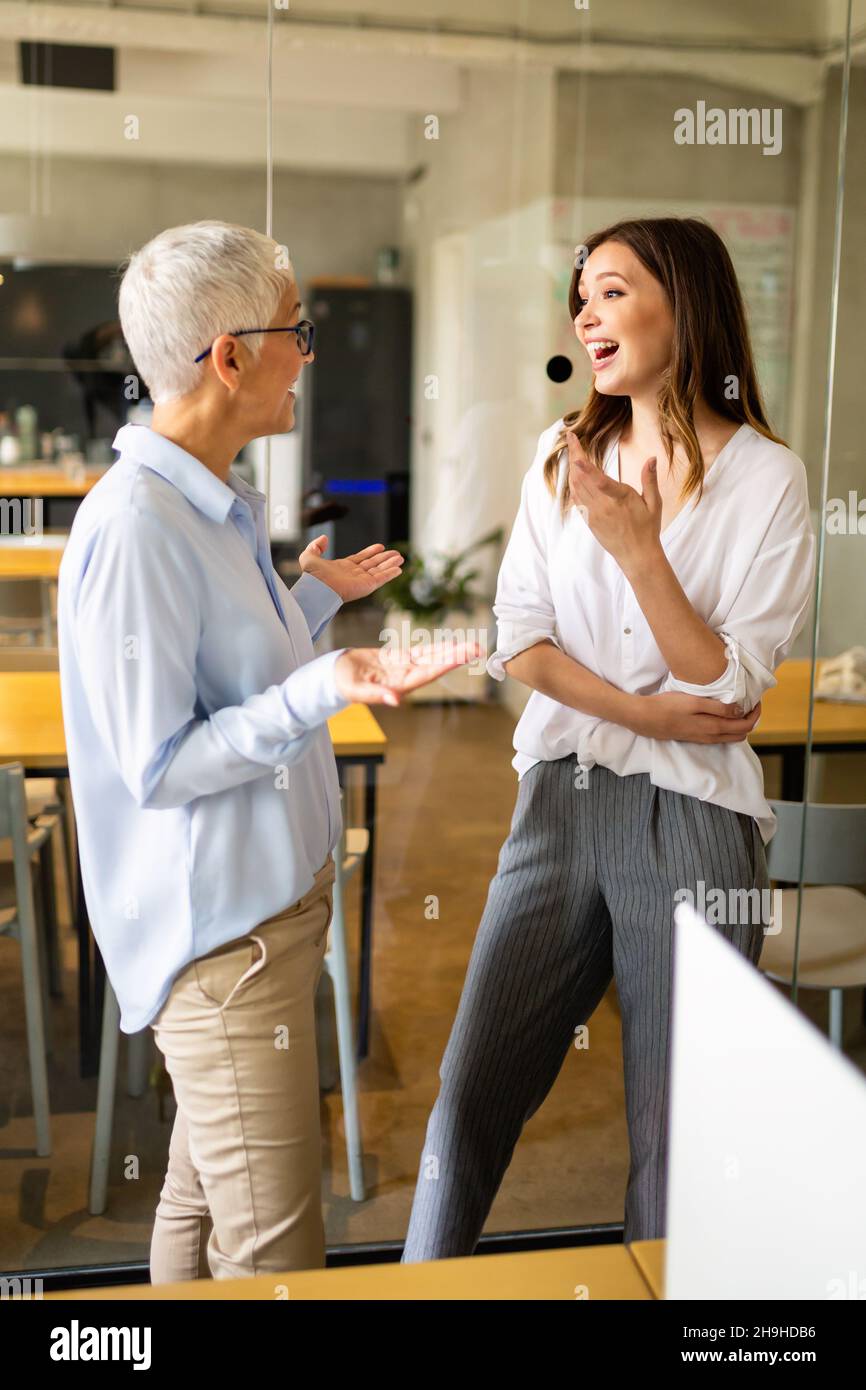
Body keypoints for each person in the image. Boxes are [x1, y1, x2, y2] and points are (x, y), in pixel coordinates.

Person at [57, 219, 474, 1282]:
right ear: (229, 356)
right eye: (297, 329)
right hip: (224, 950)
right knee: (276, 1256)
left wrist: (304, 601)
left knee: (201, 1214)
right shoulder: (137, 525)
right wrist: (318, 688)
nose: (309, 351)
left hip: (262, 928)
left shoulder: (213, 502)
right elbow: (157, 765)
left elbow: (223, 676)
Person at [402, 216, 817, 1256]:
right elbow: (516, 642)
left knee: (676, 1141)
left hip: (694, 822)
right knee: (466, 1100)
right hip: (557, 801)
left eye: (612, 291)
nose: (585, 314)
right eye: (579, 297)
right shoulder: (561, 453)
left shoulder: (766, 479)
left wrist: (640, 554)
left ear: (686, 302)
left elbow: (722, 684)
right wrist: (636, 712)